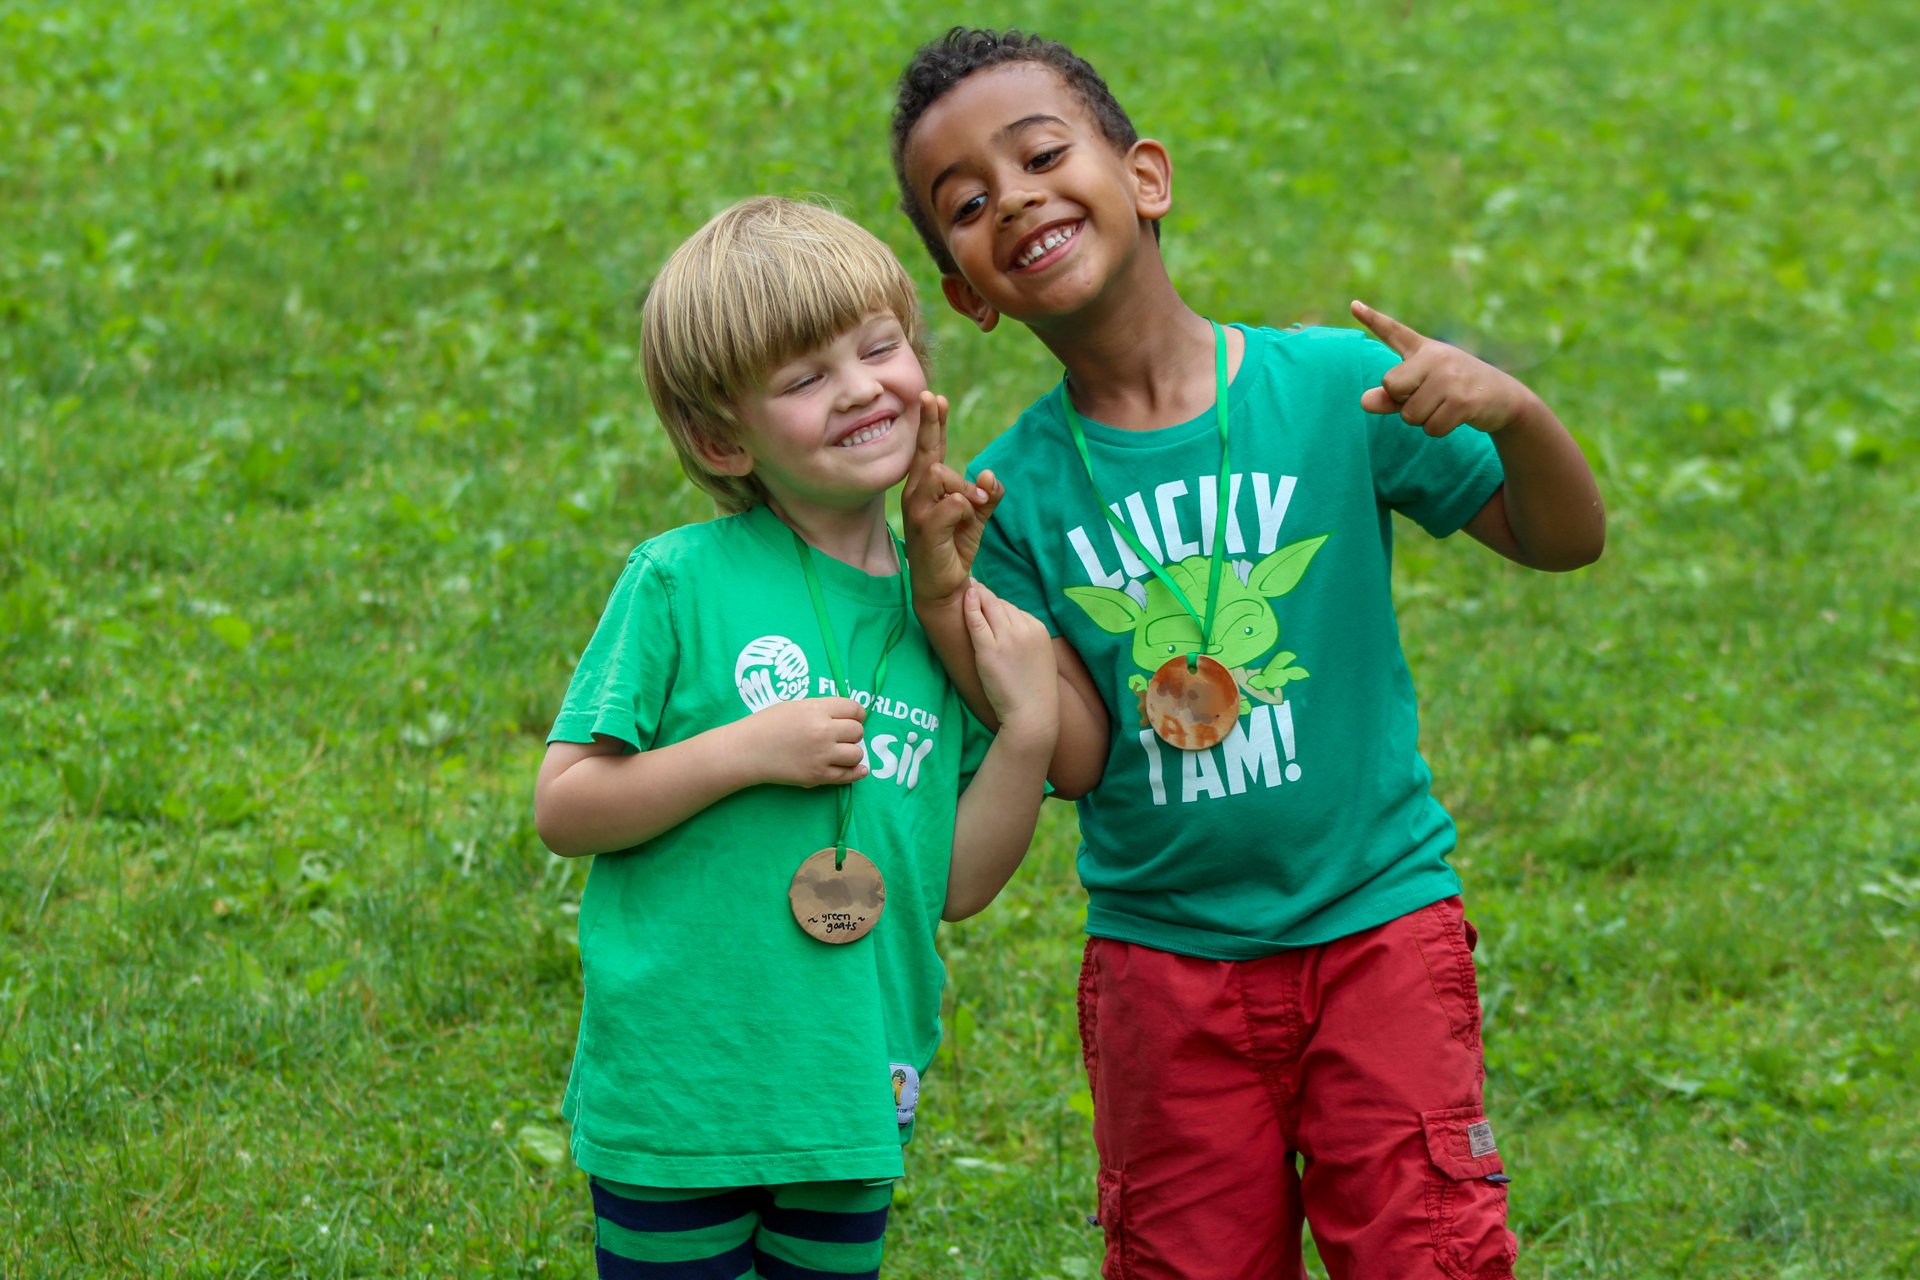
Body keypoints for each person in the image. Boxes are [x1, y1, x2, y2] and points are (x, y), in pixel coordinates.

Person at [888, 28, 1605, 1280]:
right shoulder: (1014, 495)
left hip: (1378, 928)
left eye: (1042, 154)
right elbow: (1077, 754)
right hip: (1166, 966)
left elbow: (1565, 538)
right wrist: (949, 595)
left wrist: (1513, 408)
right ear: (968, 291)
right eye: (967, 203)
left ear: (1146, 176)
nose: (1015, 201)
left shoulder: (1335, 387)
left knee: (1429, 1254)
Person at [534, 195, 1058, 1280]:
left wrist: (1028, 726)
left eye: (881, 348)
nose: (863, 386)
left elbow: (953, 882)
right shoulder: (680, 579)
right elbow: (566, 803)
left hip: (848, 1086)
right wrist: (744, 750)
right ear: (725, 435)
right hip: (681, 1096)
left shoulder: (942, 601)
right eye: (806, 376)